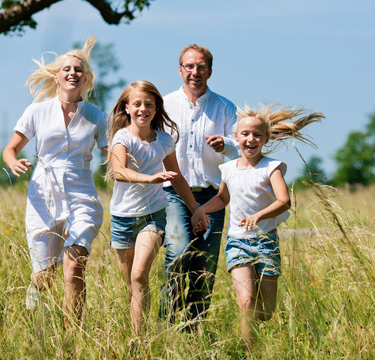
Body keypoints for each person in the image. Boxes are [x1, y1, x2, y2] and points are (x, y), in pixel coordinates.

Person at [191, 103, 324, 350]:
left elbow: (284, 201)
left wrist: (259, 216)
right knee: (247, 302)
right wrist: (201, 209)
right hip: (237, 242)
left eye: (257, 135)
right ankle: (251, 352)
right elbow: (223, 198)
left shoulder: (271, 167)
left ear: (265, 139)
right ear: (236, 137)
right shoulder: (227, 168)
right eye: (245, 134)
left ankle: (258, 331)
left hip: (265, 242)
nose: (251, 139)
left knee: (266, 311)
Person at [2, 36, 107, 327]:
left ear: (86, 78)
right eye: (67, 69)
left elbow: (113, 155)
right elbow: (10, 149)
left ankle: (72, 336)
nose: (73, 73)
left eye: (78, 70)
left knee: (74, 267)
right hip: (42, 196)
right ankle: (33, 312)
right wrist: (13, 162)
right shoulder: (37, 111)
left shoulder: (97, 117)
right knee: (44, 276)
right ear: (57, 76)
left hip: (82, 196)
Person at [106, 80, 206, 334]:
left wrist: (195, 208)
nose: (142, 109)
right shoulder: (122, 137)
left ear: (156, 108)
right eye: (137, 104)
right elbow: (118, 172)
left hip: (153, 216)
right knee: (130, 284)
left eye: (148, 104)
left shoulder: (163, 140)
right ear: (127, 108)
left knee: (140, 275)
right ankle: (136, 337)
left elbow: (178, 177)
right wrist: (149, 178)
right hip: (122, 218)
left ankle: (140, 341)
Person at [159, 44, 238, 323]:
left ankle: (195, 329)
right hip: (173, 195)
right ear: (180, 70)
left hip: (212, 197)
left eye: (201, 66)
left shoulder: (225, 107)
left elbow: (240, 148)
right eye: (189, 66)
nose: (195, 72)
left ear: (210, 71)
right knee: (178, 253)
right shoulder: (165, 105)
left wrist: (226, 144)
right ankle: (165, 323)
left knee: (204, 265)